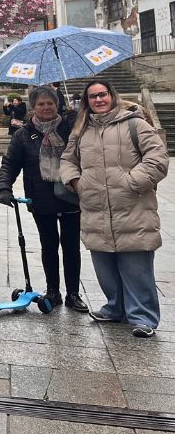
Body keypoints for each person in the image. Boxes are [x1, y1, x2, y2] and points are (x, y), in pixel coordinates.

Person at [60, 80, 168, 338]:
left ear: (112, 95)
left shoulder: (135, 124)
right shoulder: (80, 130)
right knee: (105, 264)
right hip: (95, 207)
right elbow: (67, 160)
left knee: (136, 265)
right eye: (93, 97)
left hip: (132, 207)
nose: (98, 100)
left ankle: (142, 316)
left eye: (103, 95)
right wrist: (77, 182)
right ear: (87, 101)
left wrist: (132, 181)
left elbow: (158, 158)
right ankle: (115, 307)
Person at [0, 85, 87, 312]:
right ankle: (53, 290)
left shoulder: (72, 129)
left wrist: (78, 119)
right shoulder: (24, 134)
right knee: (49, 245)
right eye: (41, 104)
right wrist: (4, 188)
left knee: (71, 246)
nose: (46, 107)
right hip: (41, 196)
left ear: (57, 104)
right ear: (33, 107)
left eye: (51, 103)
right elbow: (10, 163)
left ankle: (73, 293)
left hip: (70, 194)